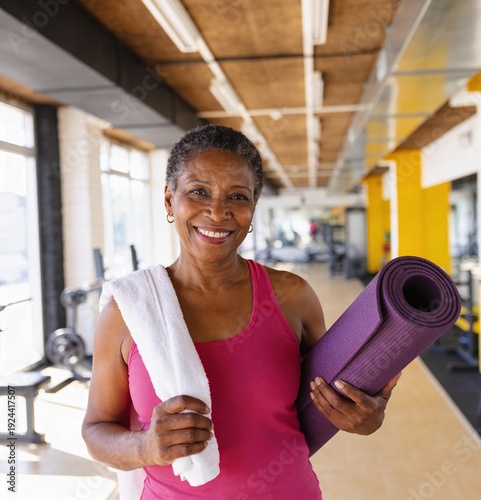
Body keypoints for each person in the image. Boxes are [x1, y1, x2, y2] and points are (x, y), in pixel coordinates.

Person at [82, 124, 401, 498]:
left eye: (237, 196)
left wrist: (368, 417)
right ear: (170, 200)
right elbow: (96, 430)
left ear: (253, 208)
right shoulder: (130, 310)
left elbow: (334, 399)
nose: (217, 212)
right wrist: (145, 446)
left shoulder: (292, 296)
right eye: (198, 191)